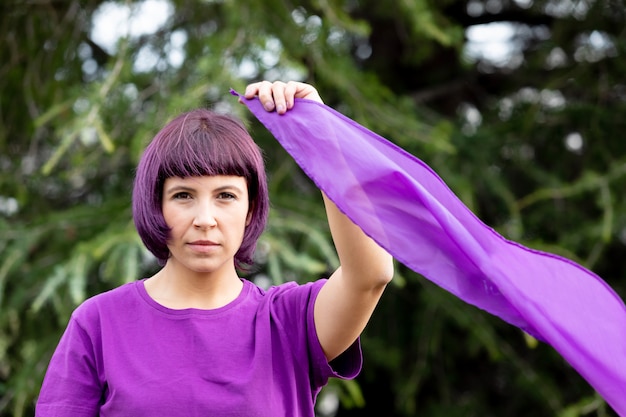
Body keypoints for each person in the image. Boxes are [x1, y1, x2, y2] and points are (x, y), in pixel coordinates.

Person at [35, 80, 394, 417]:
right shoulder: (99, 323)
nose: (205, 218)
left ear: (250, 208)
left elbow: (372, 274)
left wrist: (322, 136)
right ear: (155, 204)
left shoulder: (288, 323)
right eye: (183, 196)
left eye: (225, 196)